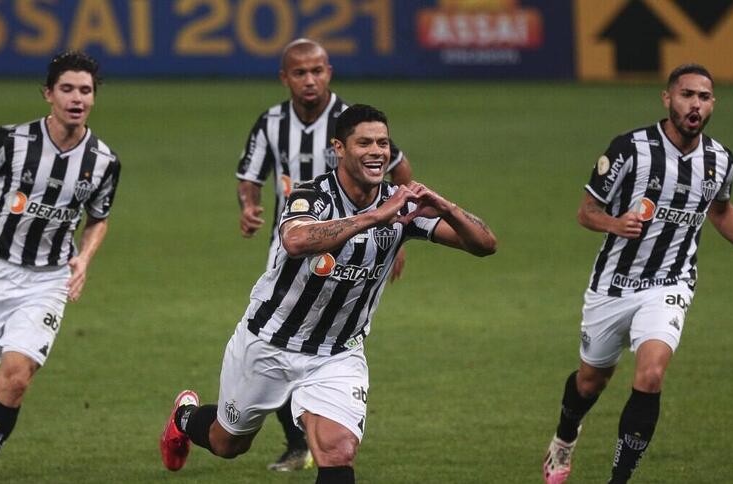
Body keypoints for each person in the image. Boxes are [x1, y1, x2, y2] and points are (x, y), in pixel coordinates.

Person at [161, 104, 496, 483]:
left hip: (336, 353)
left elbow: (485, 245)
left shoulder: (401, 205)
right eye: (364, 142)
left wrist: (447, 208)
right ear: (340, 148)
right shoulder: (313, 195)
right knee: (228, 444)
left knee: (338, 452)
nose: (377, 151)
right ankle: (184, 418)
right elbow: (295, 239)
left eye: (383, 143)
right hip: (269, 341)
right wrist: (373, 217)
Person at [542, 64, 733, 484]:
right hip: (613, 284)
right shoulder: (630, 149)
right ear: (667, 98)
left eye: (704, 97)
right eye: (687, 95)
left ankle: (619, 479)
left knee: (652, 373)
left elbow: (720, 208)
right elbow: (587, 212)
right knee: (590, 381)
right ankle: (565, 437)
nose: (695, 105)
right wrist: (614, 223)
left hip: (670, 283)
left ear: (712, 104)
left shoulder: (719, 159)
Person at [0, 51, 121, 483]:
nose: (77, 98)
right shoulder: (8, 142)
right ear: (48, 94)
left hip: (47, 281)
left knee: (14, 380)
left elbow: (99, 219)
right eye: (67, 88)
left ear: (93, 98)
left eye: (85, 90)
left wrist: (83, 259)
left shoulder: (104, 161)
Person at [235, 38, 413, 471]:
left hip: (362, 242)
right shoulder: (271, 122)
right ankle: (297, 440)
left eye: (317, 71)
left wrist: (400, 234)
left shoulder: (355, 123)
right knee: (284, 330)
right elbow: (250, 173)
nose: (310, 80)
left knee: (328, 334)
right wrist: (248, 205)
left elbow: (401, 172)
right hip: (293, 247)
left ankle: (314, 435)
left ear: (329, 72)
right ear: (285, 78)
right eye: (301, 72)